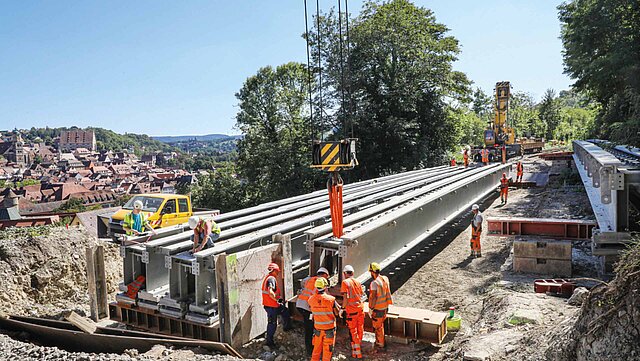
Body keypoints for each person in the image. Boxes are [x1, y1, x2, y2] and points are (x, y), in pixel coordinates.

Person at [295, 267, 330, 356]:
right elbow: (326, 296)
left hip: (300, 304)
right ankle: (310, 350)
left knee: (310, 326)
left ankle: (312, 348)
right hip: (307, 307)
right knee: (310, 329)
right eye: (327, 277)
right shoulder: (321, 282)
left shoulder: (309, 279)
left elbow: (303, 285)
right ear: (325, 275)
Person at [309, 277, 340, 361]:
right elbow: (337, 313)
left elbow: (313, 312)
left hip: (318, 330)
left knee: (316, 351)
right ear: (325, 287)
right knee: (327, 353)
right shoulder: (331, 299)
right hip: (329, 330)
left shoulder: (311, 299)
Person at [261, 262, 292, 348]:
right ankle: (269, 342)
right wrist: (279, 300)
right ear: (274, 270)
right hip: (271, 307)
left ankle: (287, 327)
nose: (278, 273)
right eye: (277, 271)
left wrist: (280, 301)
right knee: (272, 323)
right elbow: (271, 293)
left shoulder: (268, 278)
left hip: (273, 305)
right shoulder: (271, 279)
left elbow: (273, 293)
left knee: (285, 311)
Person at [341, 265, 365, 359]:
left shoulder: (345, 282)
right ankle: (356, 352)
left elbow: (346, 298)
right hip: (360, 310)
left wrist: (342, 309)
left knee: (353, 333)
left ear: (344, 273)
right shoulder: (358, 282)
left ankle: (357, 355)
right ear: (353, 273)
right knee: (360, 331)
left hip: (352, 312)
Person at [368, 262, 392, 353]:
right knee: (381, 325)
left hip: (378, 309)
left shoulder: (374, 283)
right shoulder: (384, 278)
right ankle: (380, 342)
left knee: (378, 327)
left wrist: (370, 308)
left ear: (372, 272)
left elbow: (373, 297)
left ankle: (380, 344)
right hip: (385, 307)